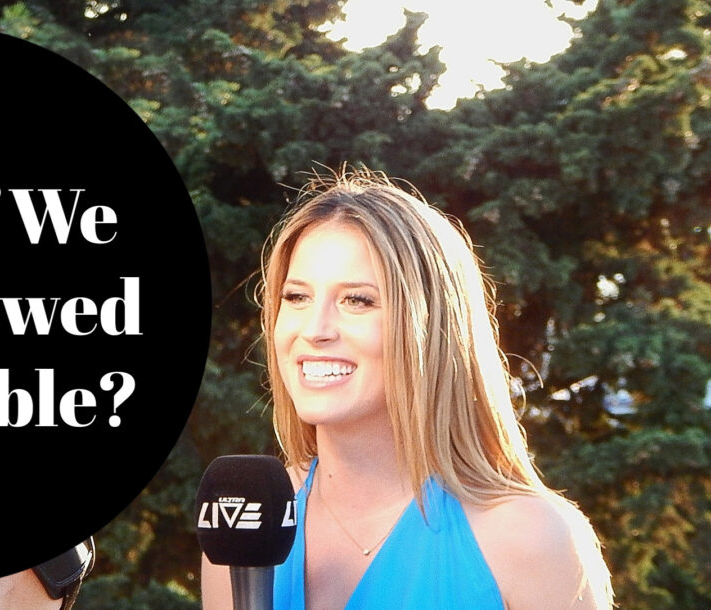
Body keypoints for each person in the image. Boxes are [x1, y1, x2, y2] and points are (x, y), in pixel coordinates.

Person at [201, 169, 613, 609]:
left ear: (429, 326)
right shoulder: (243, 523)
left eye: (357, 300)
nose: (315, 330)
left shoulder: (529, 537)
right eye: (297, 297)